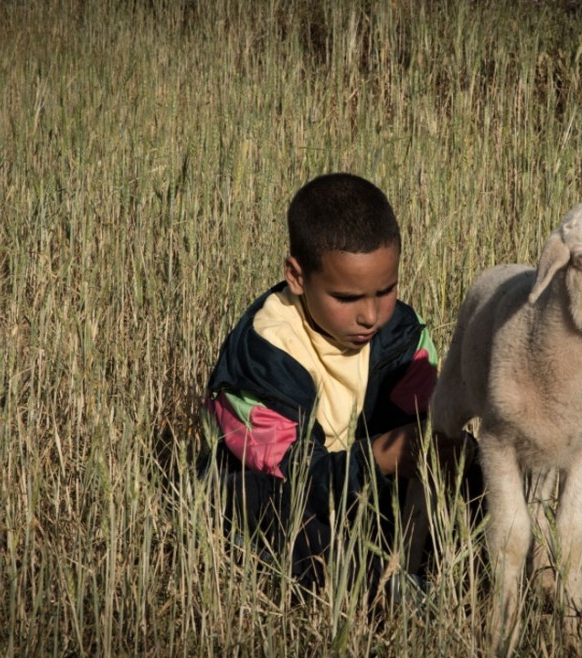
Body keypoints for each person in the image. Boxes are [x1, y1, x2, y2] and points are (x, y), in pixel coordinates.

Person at [200, 172, 474, 594]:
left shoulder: (404, 335)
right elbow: (295, 479)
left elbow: (422, 433)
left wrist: (447, 453)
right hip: (280, 497)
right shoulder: (264, 354)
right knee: (279, 519)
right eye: (346, 298)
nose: (371, 314)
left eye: (386, 290)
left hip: (368, 492)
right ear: (297, 276)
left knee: (483, 481)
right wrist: (382, 457)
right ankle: (378, 585)